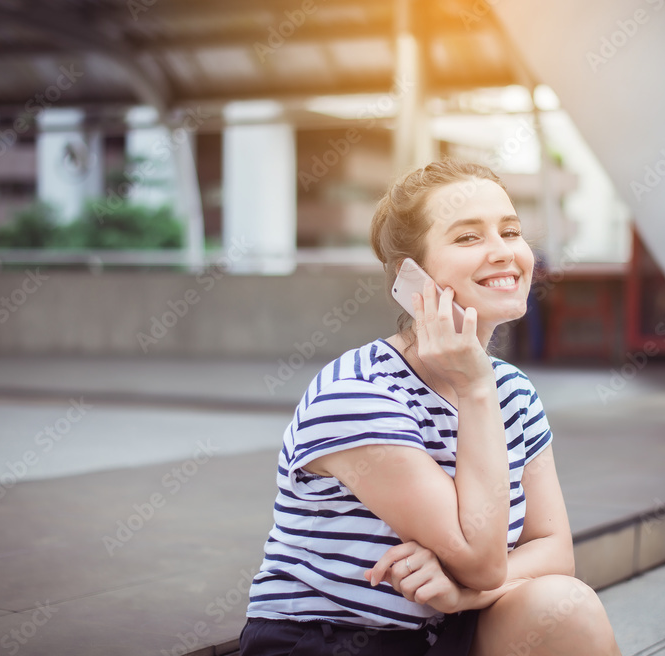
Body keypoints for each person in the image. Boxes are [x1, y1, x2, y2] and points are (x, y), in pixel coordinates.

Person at [240, 159, 622, 656]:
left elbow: (553, 551)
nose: (504, 253)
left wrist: (462, 594)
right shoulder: (357, 392)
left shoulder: (513, 390)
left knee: (566, 605)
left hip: (449, 629)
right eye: (468, 238)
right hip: (328, 641)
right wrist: (476, 389)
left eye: (510, 231)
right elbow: (484, 561)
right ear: (411, 276)